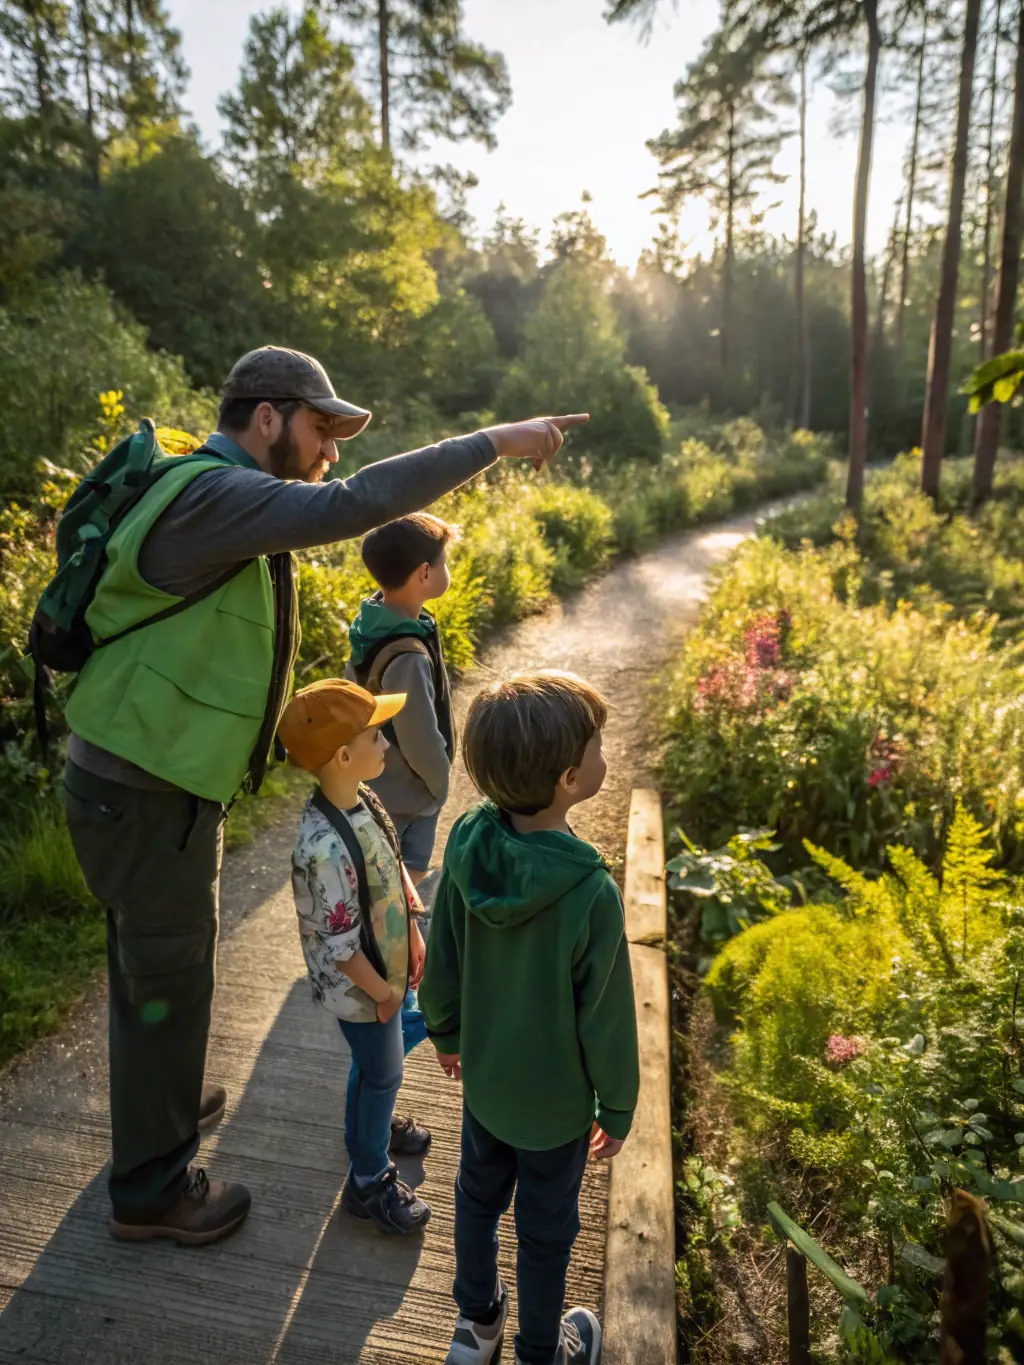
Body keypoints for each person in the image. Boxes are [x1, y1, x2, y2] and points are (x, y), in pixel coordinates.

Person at [58, 341, 588, 1246]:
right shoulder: (214, 493)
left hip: (147, 783)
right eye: (320, 428)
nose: (329, 452)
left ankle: (166, 1103)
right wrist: (494, 441)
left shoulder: (209, 492)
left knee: (159, 971)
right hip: (144, 791)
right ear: (265, 417)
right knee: (167, 976)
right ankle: (150, 1188)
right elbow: (354, 507)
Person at [419, 671, 640, 1365]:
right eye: (600, 745)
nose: (608, 751)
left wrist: (447, 1030)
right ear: (570, 778)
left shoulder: (467, 844)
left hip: (485, 1084)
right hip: (555, 1111)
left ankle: (477, 1322)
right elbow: (606, 1019)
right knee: (545, 1232)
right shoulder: (590, 894)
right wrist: (621, 1103)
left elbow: (445, 951)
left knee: (477, 1199)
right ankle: (543, 1349)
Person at [279, 678, 432, 1236]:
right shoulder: (321, 847)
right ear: (344, 755)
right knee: (381, 1068)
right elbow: (341, 947)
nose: (387, 744)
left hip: (385, 968)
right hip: (363, 986)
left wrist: (412, 930)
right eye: (377, 736)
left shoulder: (361, 798)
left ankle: (374, 1115)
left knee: (381, 1064)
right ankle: (368, 1180)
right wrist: (384, 993)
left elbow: (388, 867)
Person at [347, 512, 457, 890]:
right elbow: (419, 735)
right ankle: (399, 945)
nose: (448, 568)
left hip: (378, 781)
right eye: (445, 562)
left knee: (378, 882)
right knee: (402, 891)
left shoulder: (373, 623)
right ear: (424, 573)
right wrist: (439, 785)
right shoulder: (406, 653)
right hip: (409, 795)